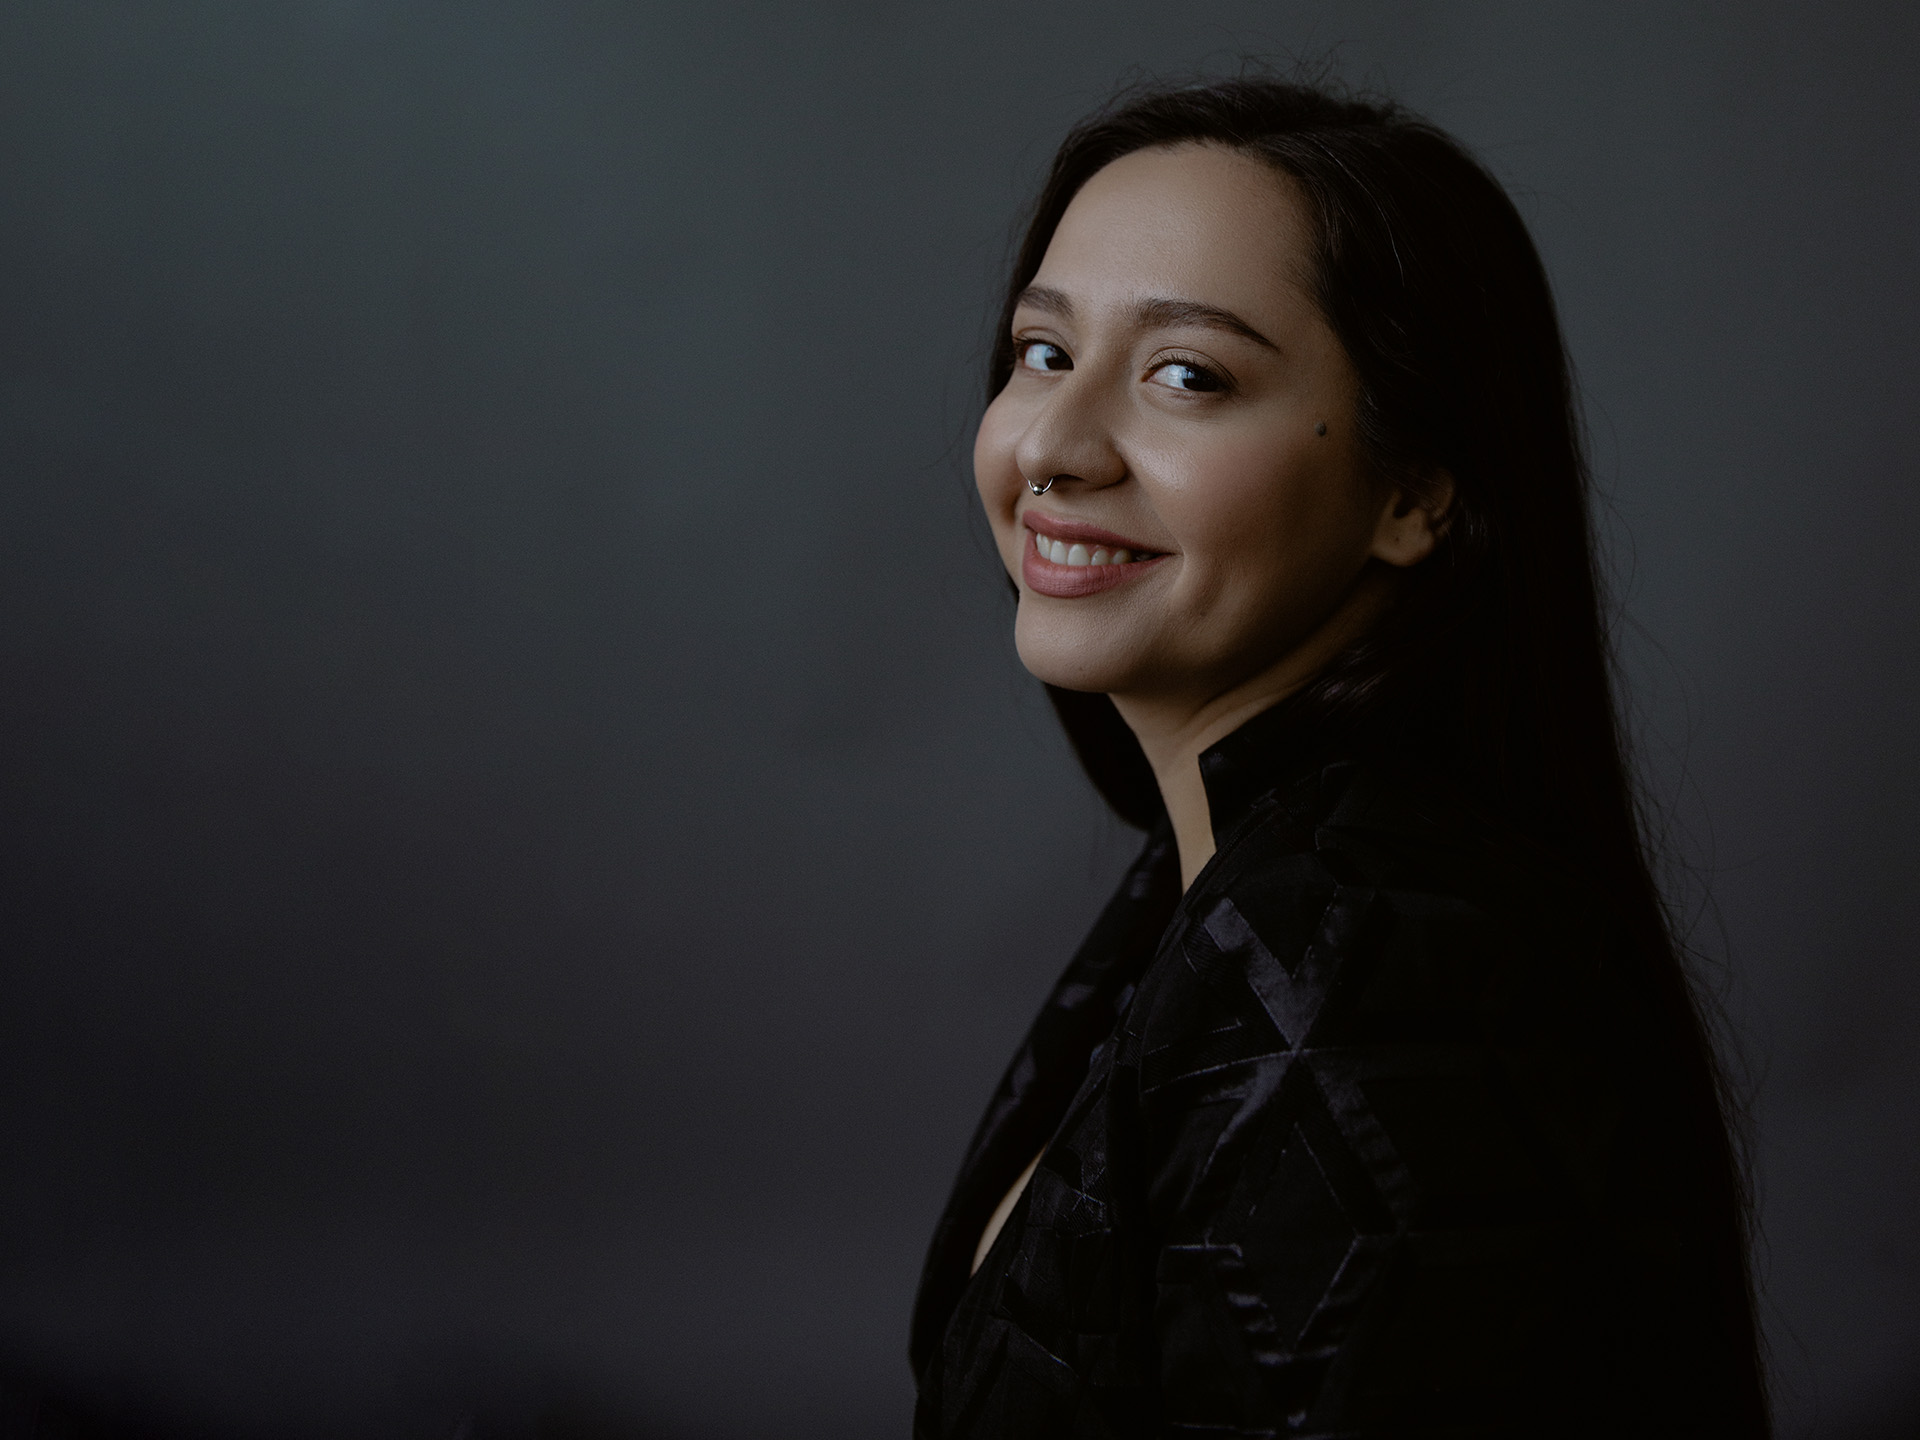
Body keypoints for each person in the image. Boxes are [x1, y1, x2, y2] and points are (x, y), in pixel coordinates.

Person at [909, 77, 1769, 1437]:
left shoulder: (1358, 950)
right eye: (1043, 351)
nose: (1054, 449)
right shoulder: (1259, 880)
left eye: (1187, 375)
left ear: (1415, 491)